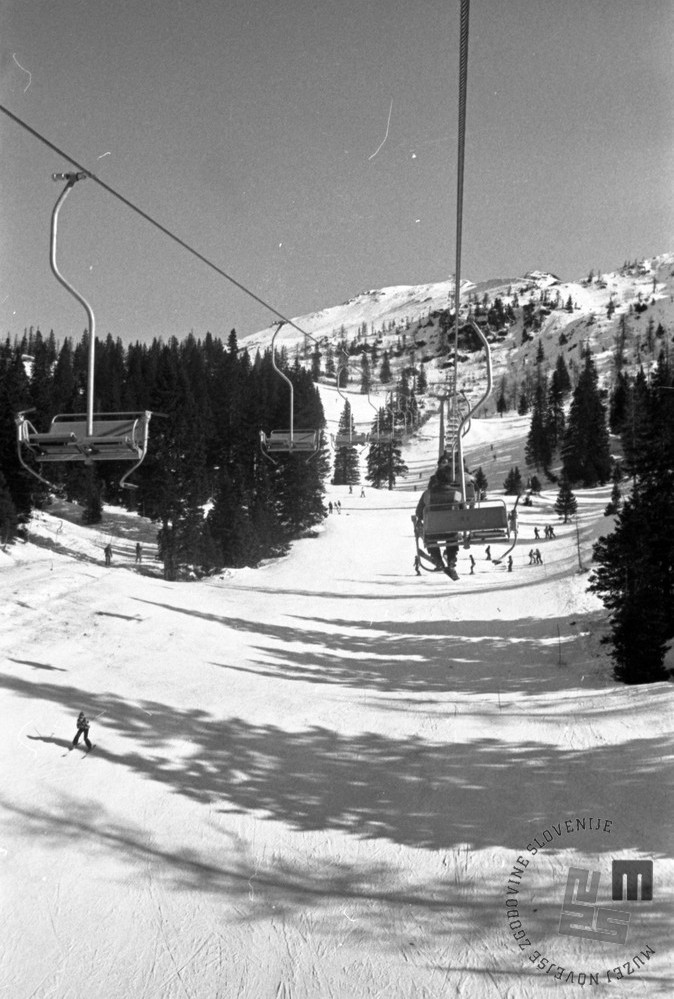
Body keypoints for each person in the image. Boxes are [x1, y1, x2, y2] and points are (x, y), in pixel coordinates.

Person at [414, 455, 461, 574]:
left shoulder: (428, 494)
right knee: (452, 536)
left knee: (429, 537)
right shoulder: (457, 494)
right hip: (452, 531)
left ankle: (438, 559)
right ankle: (451, 558)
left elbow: (419, 512)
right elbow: (463, 510)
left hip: (432, 531)